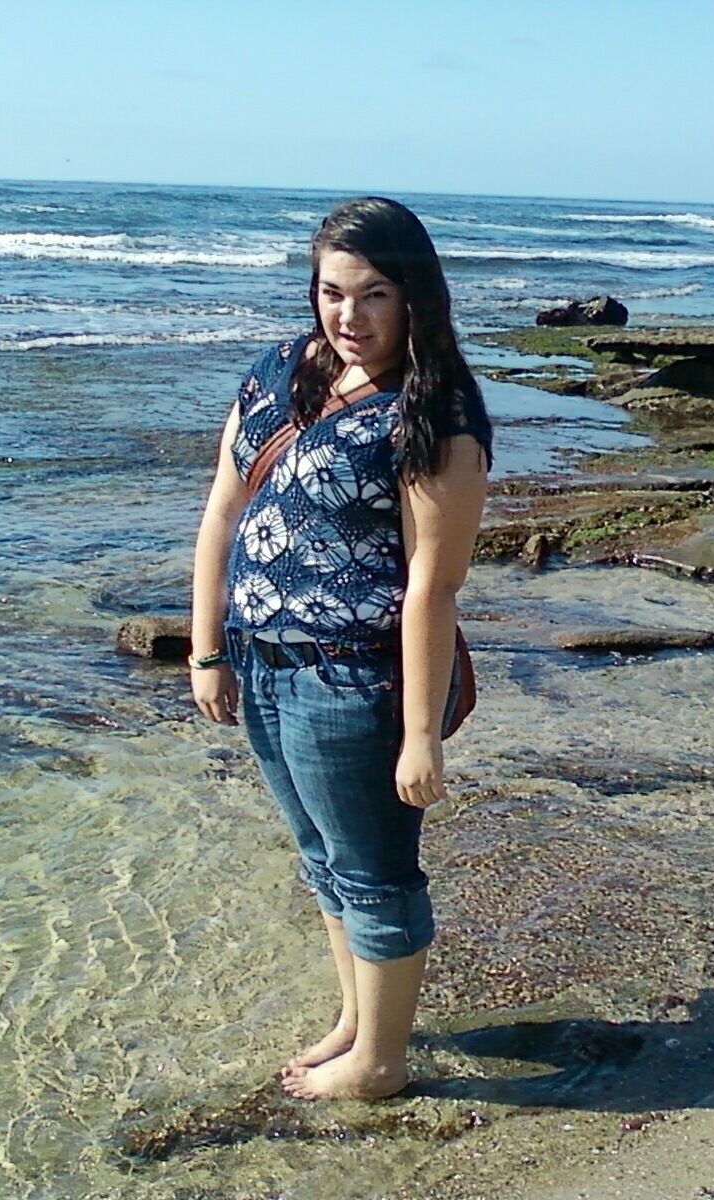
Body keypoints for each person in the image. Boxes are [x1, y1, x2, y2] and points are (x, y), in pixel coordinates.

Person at [189, 197, 492, 1101]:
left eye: (374, 295)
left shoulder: (436, 414)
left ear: (415, 297)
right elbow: (223, 510)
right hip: (262, 662)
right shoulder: (280, 370)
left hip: (353, 678)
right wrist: (208, 649)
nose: (349, 316)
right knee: (321, 860)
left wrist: (421, 736)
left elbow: (433, 585)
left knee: (375, 875)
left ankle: (380, 1063)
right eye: (332, 292)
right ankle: (358, 1021)